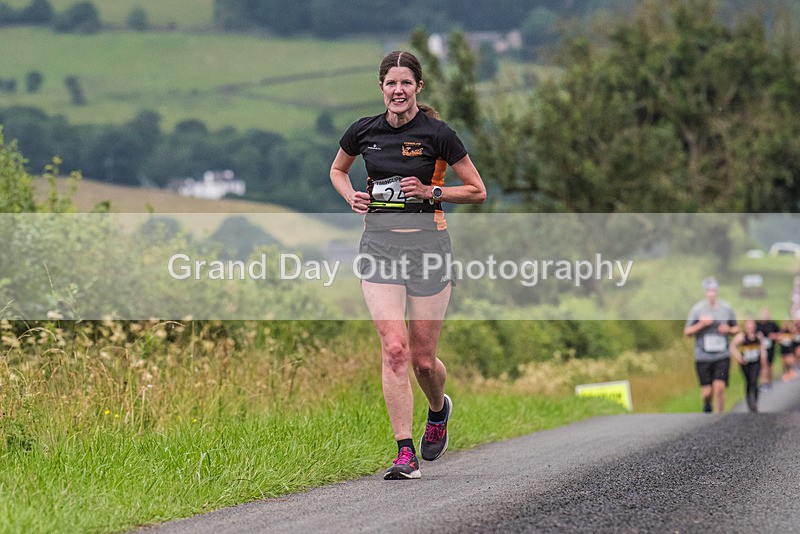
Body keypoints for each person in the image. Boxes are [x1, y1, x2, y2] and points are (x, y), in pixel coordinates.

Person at [329, 50, 486, 480]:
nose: (398, 90)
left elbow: (477, 190)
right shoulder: (363, 131)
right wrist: (350, 196)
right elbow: (338, 171)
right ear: (381, 87)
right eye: (391, 83)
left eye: (405, 83)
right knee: (394, 350)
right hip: (379, 248)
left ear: (418, 87)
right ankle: (404, 452)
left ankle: (438, 410)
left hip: (429, 250)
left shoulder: (439, 134)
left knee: (423, 360)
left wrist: (432, 192)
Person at [684, 276, 739, 413]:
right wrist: (701, 324)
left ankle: (718, 418)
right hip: (703, 356)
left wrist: (728, 329)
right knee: (707, 392)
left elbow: (736, 328)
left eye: (714, 290)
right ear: (705, 292)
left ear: (717, 291)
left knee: (719, 388)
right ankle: (707, 404)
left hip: (722, 355)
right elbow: (687, 332)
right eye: (709, 290)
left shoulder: (726, 308)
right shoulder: (697, 309)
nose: (712, 293)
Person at [730, 319, 766, 412]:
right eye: (748, 324)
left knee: (754, 380)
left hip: (756, 362)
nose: (750, 326)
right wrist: (739, 357)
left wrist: (763, 357)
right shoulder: (741, 337)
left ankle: (754, 402)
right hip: (745, 364)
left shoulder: (758, 335)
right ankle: (749, 402)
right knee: (749, 381)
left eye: (752, 324)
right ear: (745, 325)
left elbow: (762, 347)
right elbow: (732, 347)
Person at [756, 308, 780, 389]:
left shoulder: (773, 325)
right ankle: (763, 382)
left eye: (766, 314)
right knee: (762, 364)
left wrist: (775, 336)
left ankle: (769, 382)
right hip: (760, 349)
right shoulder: (757, 325)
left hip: (770, 348)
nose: (765, 316)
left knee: (769, 366)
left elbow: (780, 335)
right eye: (763, 314)